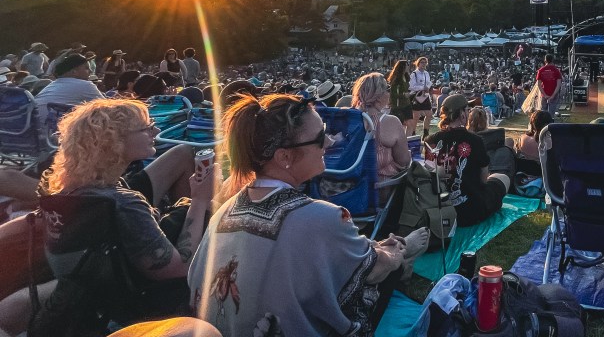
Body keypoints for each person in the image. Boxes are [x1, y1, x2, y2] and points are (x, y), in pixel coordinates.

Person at [188, 94, 428, 337]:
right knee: (382, 273)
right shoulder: (323, 218)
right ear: (285, 157)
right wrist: (397, 252)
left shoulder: (223, 213)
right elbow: (374, 270)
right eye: (319, 137)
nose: (329, 143)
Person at [0, 99, 214, 335]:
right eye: (146, 127)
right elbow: (180, 267)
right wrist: (200, 200)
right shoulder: (124, 203)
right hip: (140, 306)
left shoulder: (72, 192)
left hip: (97, 292)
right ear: (114, 143)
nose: (156, 130)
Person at [425, 94, 509, 227]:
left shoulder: (430, 141)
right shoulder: (475, 140)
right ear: (462, 114)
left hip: (441, 210)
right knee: (503, 178)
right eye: (467, 110)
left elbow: (429, 175)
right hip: (470, 211)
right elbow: (483, 180)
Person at [352, 73, 411, 183]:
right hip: (377, 189)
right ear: (379, 96)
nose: (389, 92)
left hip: (347, 186)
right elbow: (404, 161)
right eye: (387, 88)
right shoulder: (390, 121)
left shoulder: (347, 118)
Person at [33, 52, 103, 119]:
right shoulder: (85, 85)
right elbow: (106, 107)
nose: (90, 71)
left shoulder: (54, 84)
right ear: (74, 72)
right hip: (54, 128)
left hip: (36, 126)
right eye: (86, 68)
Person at [386, 60, 414, 136]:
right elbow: (393, 94)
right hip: (398, 105)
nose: (408, 67)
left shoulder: (406, 77)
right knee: (399, 125)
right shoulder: (396, 79)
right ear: (403, 67)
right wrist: (403, 95)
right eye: (407, 65)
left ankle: (407, 141)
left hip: (407, 104)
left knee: (410, 124)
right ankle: (398, 141)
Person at [409, 57, 433, 138]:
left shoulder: (426, 73)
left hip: (425, 95)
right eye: (422, 62)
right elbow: (411, 86)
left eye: (425, 62)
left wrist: (427, 87)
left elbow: (429, 82)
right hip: (417, 95)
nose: (423, 64)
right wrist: (422, 87)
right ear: (418, 63)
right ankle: (413, 132)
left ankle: (426, 132)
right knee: (416, 116)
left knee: (429, 114)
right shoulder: (414, 74)